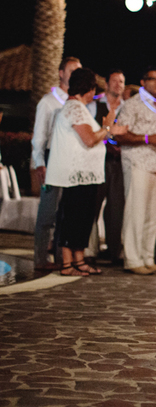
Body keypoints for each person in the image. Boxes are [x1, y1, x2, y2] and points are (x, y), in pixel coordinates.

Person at [45, 68, 128, 276]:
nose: (94, 93)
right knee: (73, 218)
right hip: (77, 175)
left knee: (82, 218)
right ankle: (67, 263)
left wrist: (109, 130)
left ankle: (79, 260)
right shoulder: (75, 108)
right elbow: (89, 139)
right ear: (88, 89)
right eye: (93, 88)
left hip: (84, 175)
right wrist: (107, 128)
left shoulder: (77, 108)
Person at [114, 67, 156, 275]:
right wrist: (148, 138)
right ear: (143, 82)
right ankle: (132, 258)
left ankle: (147, 256)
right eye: (153, 79)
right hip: (137, 162)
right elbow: (120, 135)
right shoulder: (132, 104)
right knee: (135, 211)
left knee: (152, 214)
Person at [31, 56, 81, 271]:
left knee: (65, 213)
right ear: (61, 73)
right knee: (48, 212)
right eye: (72, 71)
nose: (75, 75)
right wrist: (39, 163)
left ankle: (62, 257)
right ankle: (41, 257)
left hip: (71, 160)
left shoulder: (78, 103)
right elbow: (39, 136)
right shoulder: (48, 102)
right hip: (52, 159)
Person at [90, 70, 126, 266]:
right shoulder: (95, 104)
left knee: (116, 208)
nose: (118, 85)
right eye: (115, 81)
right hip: (98, 160)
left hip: (118, 162)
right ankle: (89, 249)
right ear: (107, 84)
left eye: (121, 81)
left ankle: (114, 251)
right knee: (93, 204)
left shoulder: (126, 107)